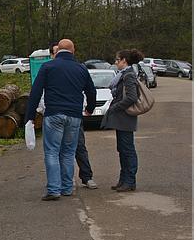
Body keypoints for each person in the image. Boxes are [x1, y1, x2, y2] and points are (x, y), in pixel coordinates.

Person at [26, 39, 97, 201]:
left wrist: (30, 116)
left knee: (52, 151)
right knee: (68, 152)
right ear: (73, 50)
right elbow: (91, 92)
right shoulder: (81, 69)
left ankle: (53, 189)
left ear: (57, 51)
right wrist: (89, 109)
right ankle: (67, 188)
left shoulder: (48, 67)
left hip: (54, 114)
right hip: (74, 115)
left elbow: (36, 92)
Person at [48, 42, 98, 190]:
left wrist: (88, 108)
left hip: (74, 114)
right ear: (52, 55)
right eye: (55, 52)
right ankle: (59, 183)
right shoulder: (49, 69)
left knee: (79, 147)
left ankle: (86, 177)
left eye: (60, 51)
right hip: (55, 115)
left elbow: (88, 90)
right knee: (56, 151)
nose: (58, 54)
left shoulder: (75, 68)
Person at [102, 49, 143, 192]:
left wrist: (115, 107)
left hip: (125, 118)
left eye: (117, 60)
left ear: (124, 60)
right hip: (122, 118)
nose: (115, 62)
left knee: (127, 150)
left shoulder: (128, 75)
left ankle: (130, 180)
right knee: (122, 149)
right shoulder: (124, 75)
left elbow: (132, 97)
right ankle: (124, 179)